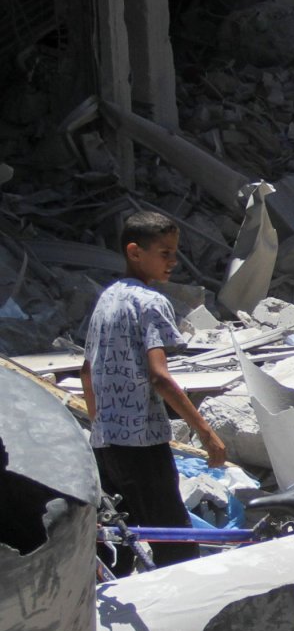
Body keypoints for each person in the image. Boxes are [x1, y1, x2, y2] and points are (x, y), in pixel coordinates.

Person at [83, 211, 227, 565]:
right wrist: (206, 433)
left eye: (175, 253)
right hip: (143, 445)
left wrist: (100, 423)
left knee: (116, 542)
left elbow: (87, 371)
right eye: (165, 253)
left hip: (106, 443)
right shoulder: (151, 303)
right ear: (135, 252)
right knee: (176, 543)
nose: (173, 261)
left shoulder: (107, 298)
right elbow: (159, 376)